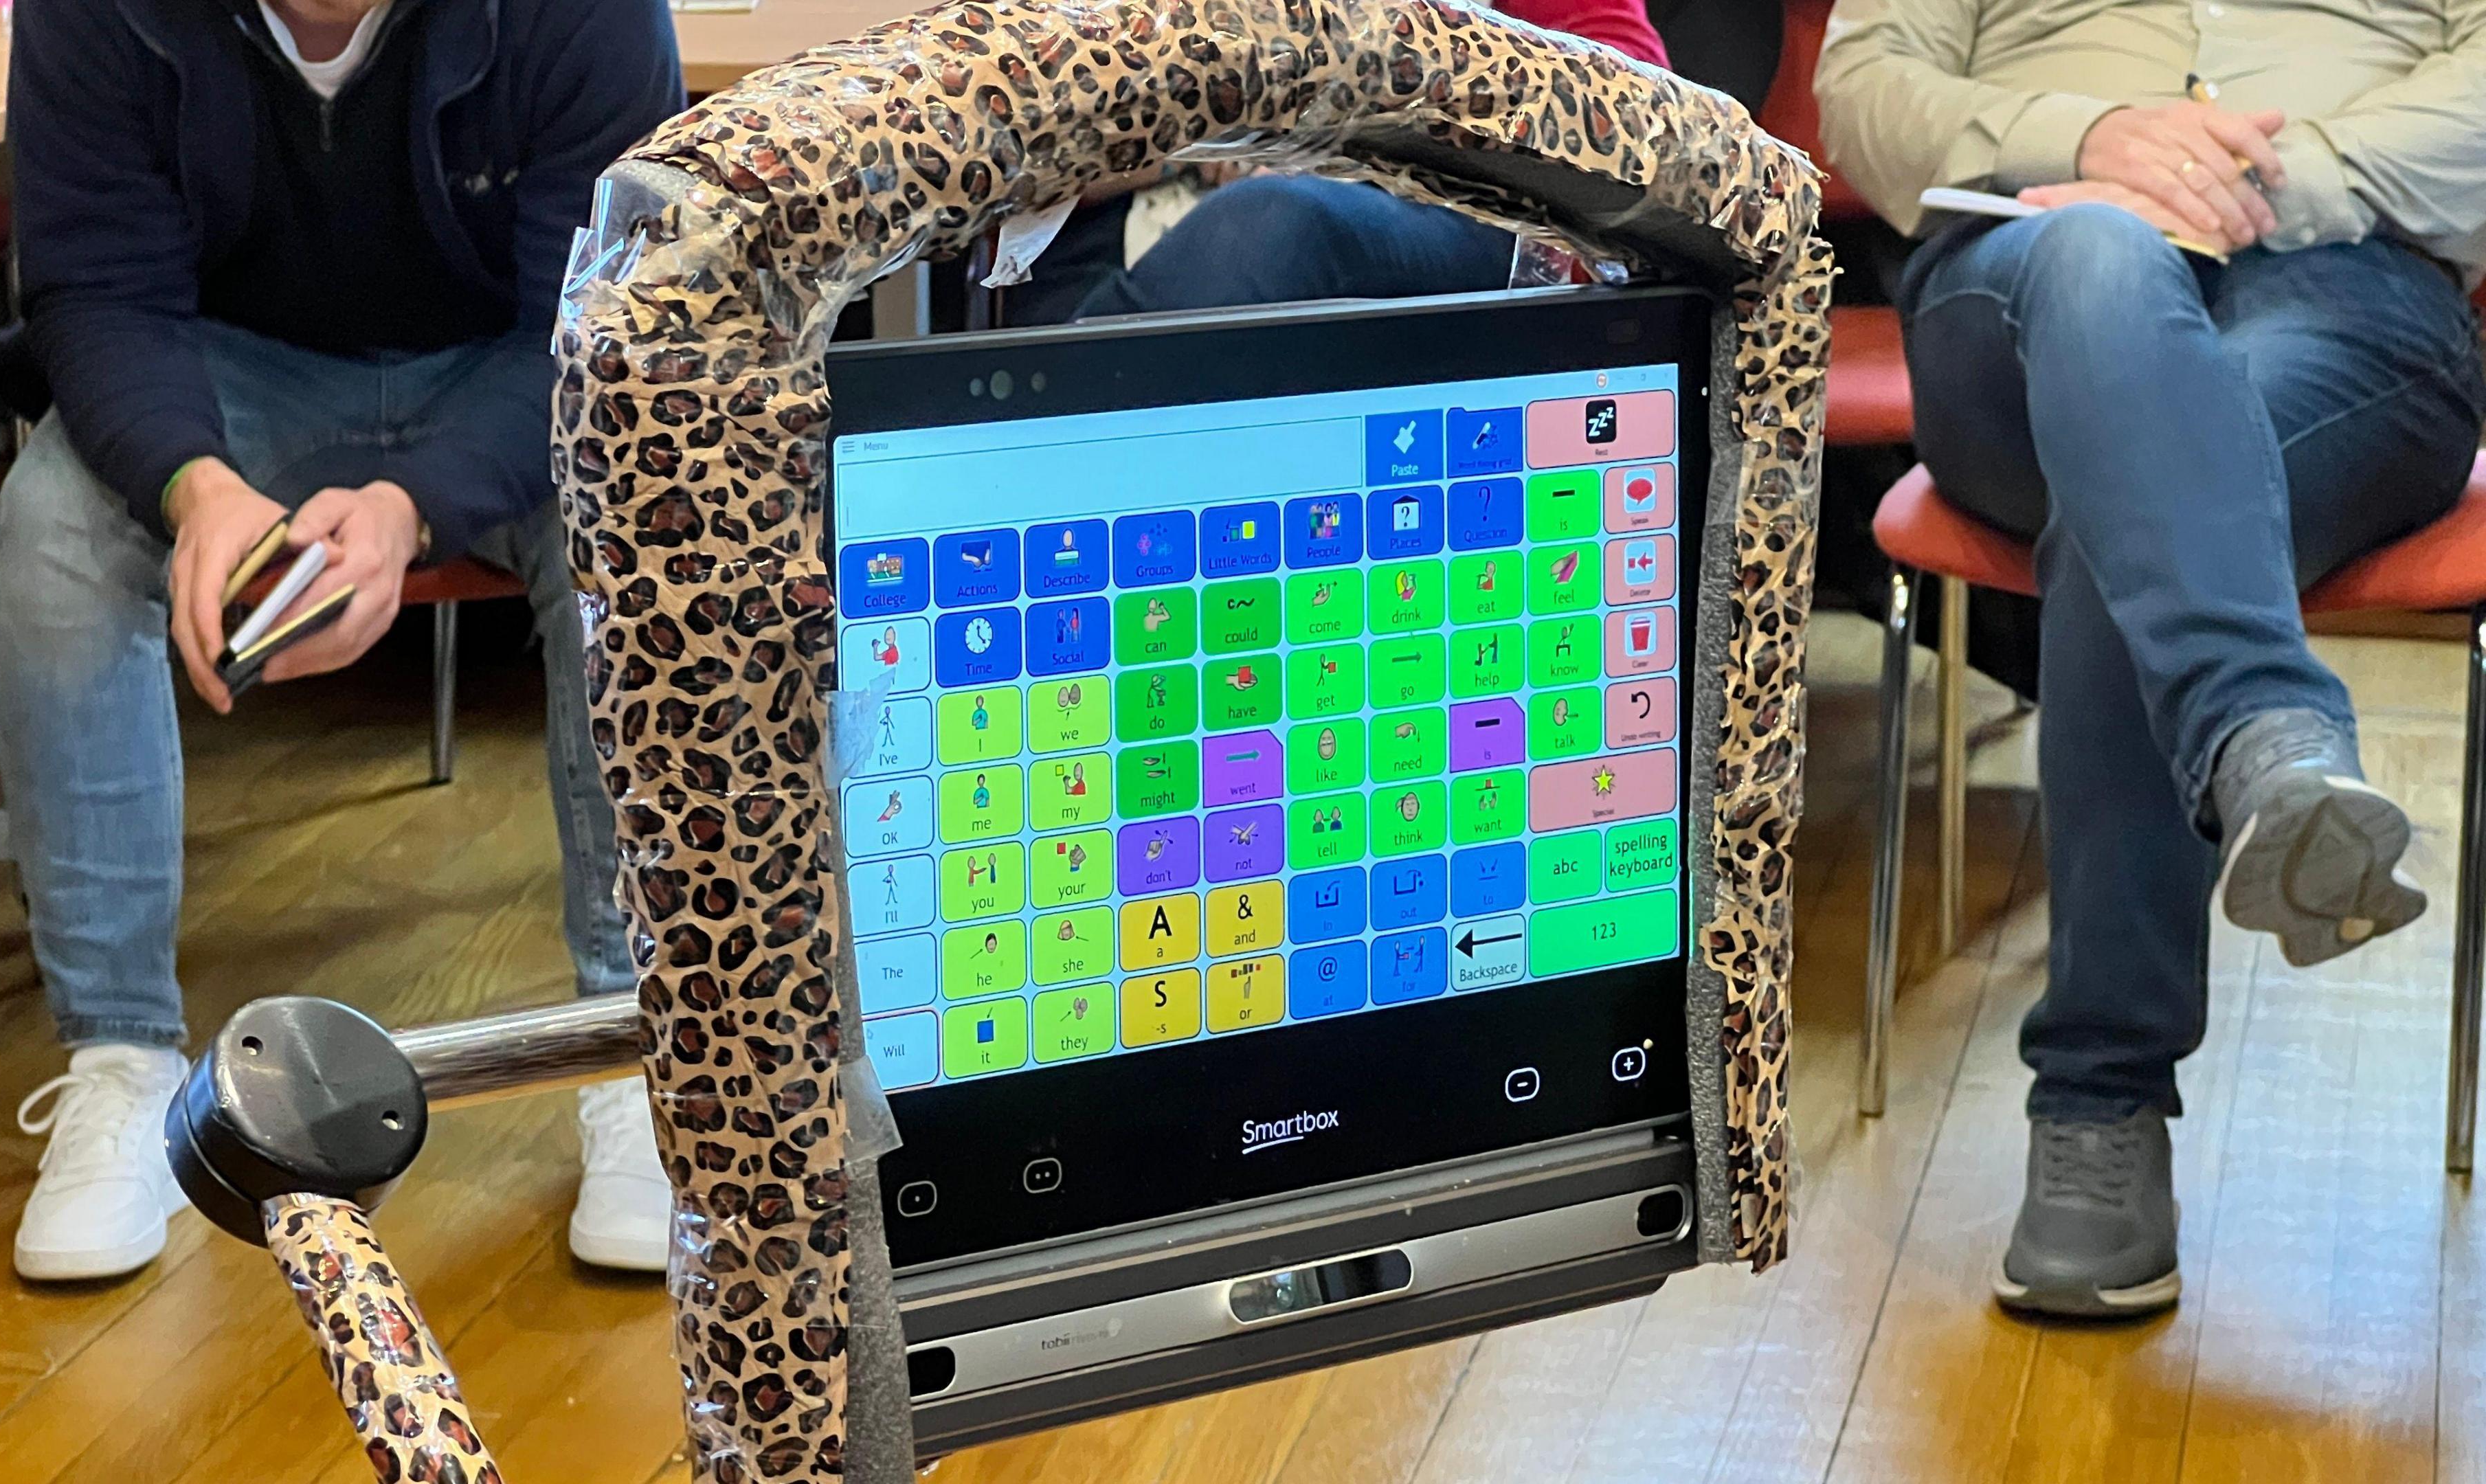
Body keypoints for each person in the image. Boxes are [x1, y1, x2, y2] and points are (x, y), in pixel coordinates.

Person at [0, 0, 682, 1281]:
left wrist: (414, 508)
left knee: (643, 521)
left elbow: (601, 317)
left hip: (511, 360)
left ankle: (636, 1044)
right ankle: (120, 1063)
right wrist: (193, 485)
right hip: (232, 369)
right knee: (55, 527)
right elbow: (94, 287)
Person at [1817, 0, 2486, 1318]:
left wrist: (2278, 178)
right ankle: (2265, 740)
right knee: (2105, 266)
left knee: (2140, 498)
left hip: (2348, 286)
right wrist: (2091, 137)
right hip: (2023, 265)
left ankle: (2102, 1103)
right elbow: (1863, 88)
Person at [1000, 0, 1672, 325]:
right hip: (1144, 210)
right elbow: (1036, 129)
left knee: (1275, 225)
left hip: (1444, 193)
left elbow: (1633, 104)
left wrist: (1341, 139)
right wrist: (1212, 140)